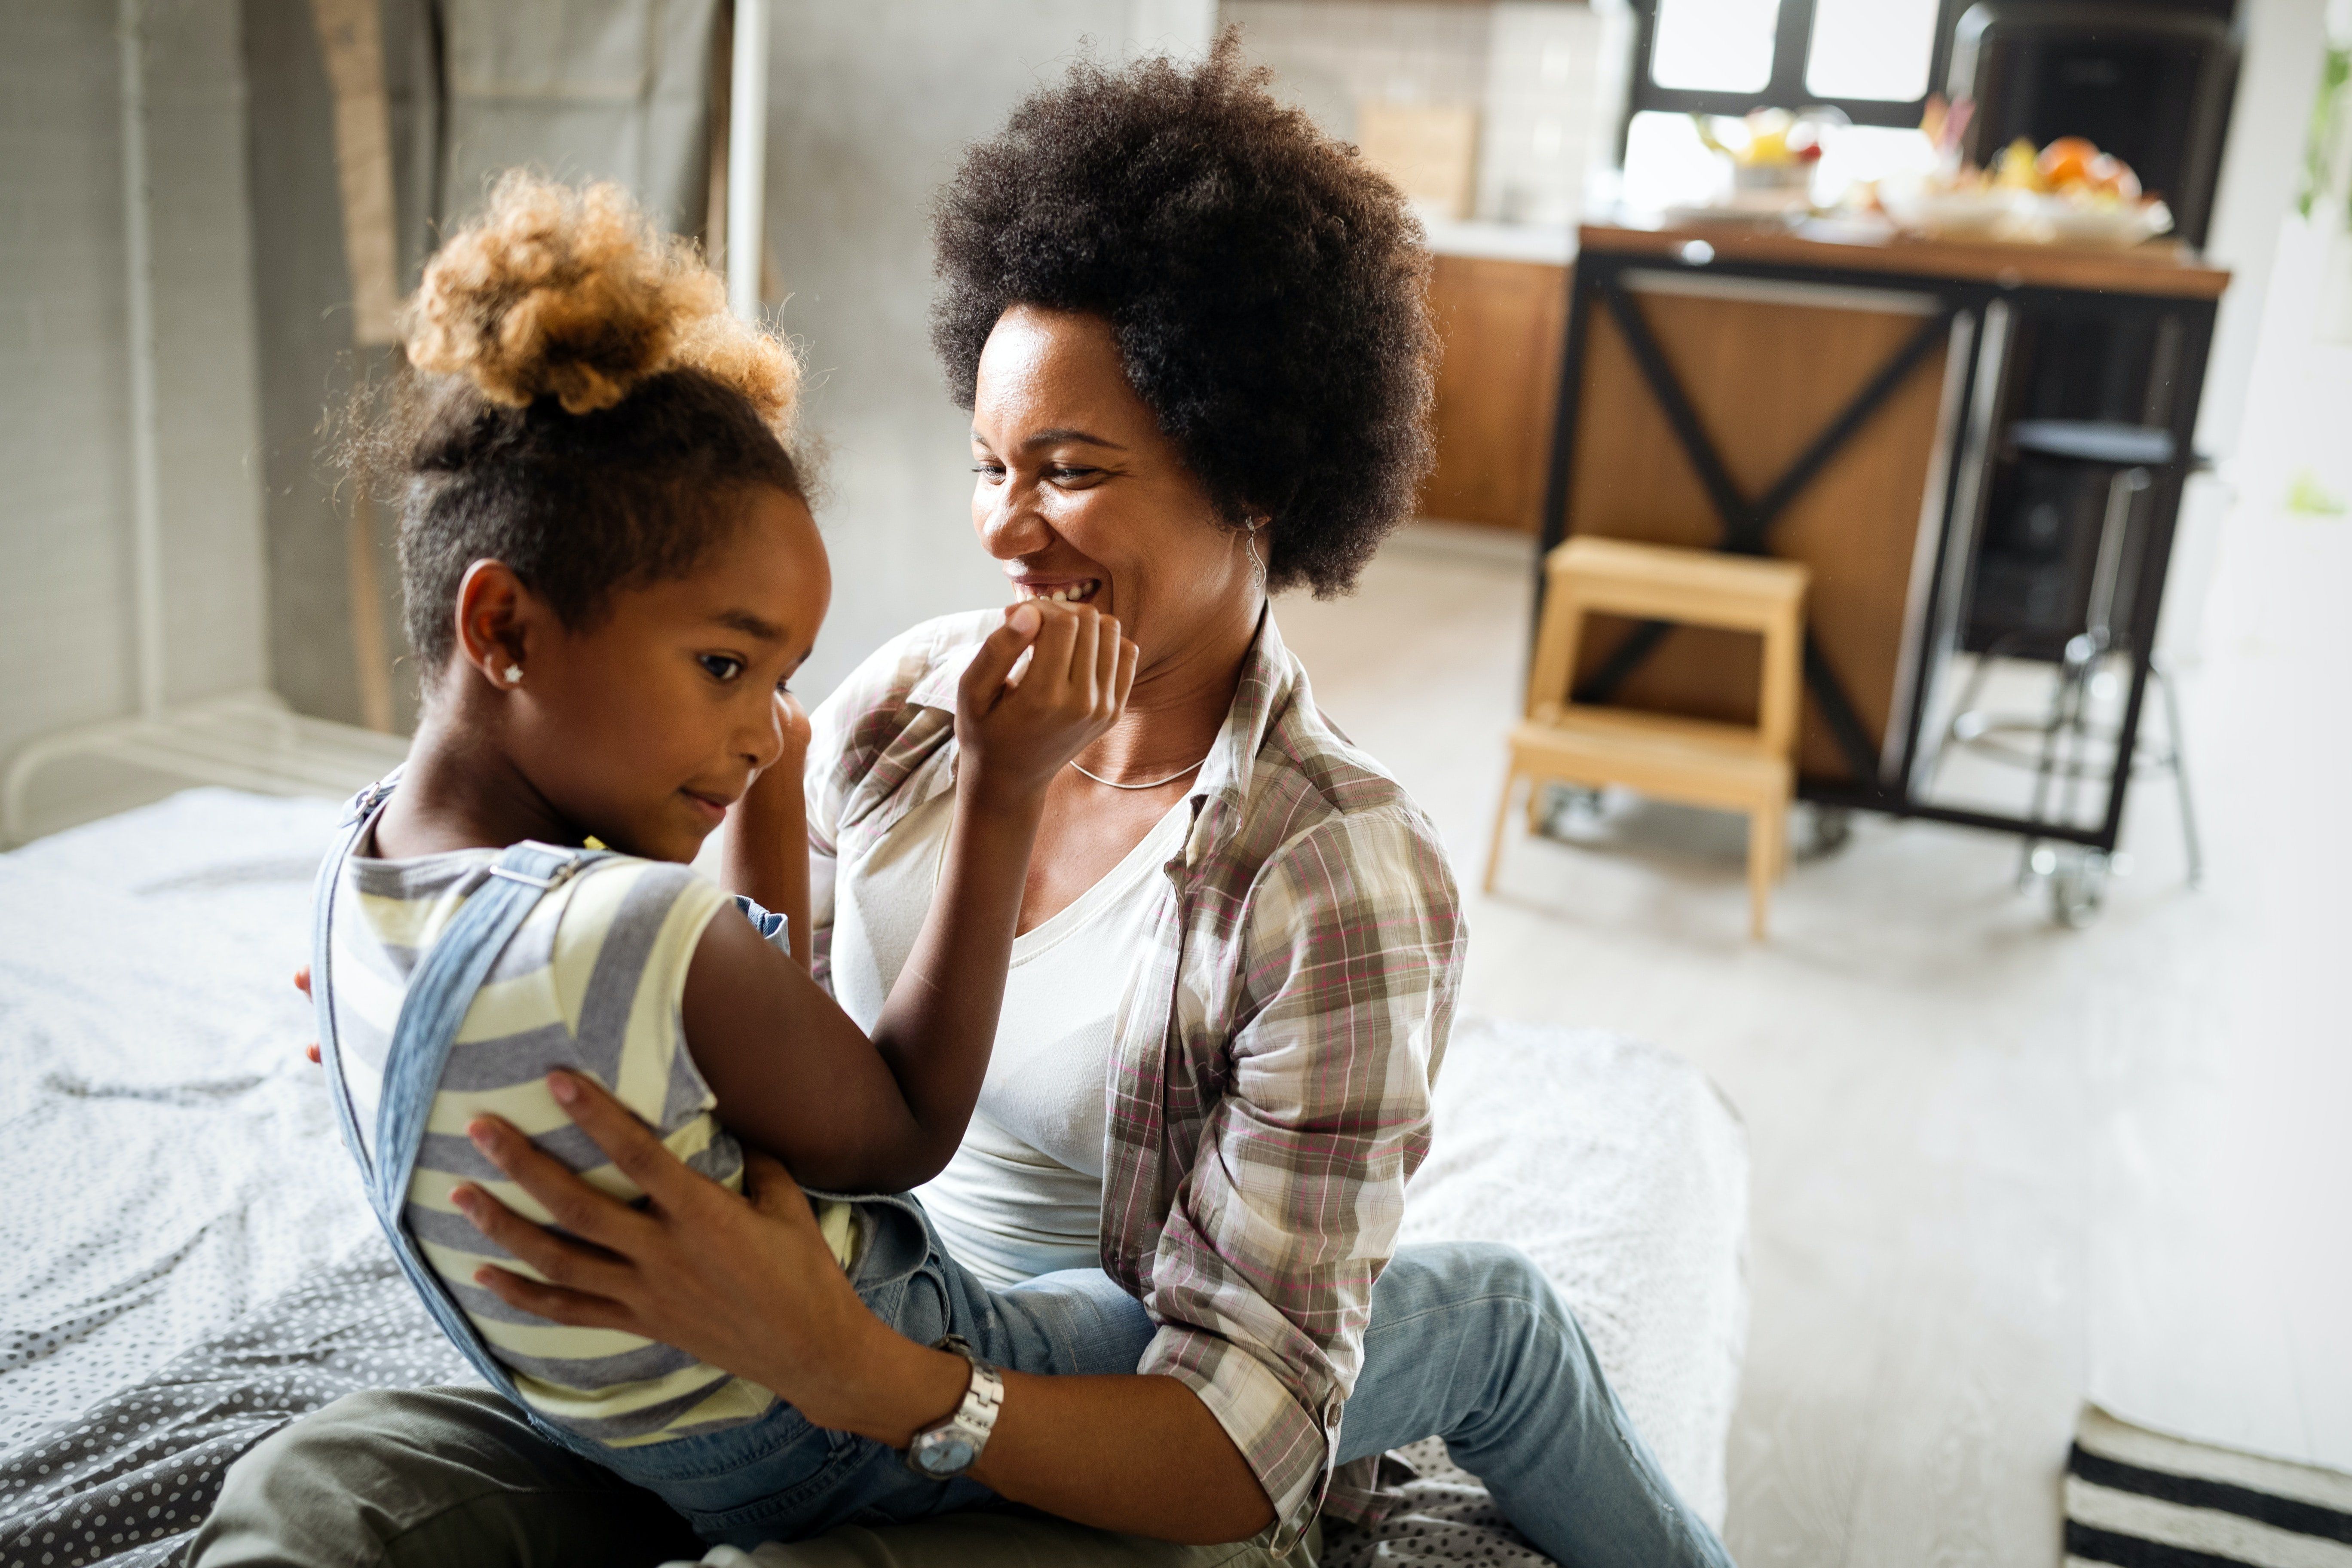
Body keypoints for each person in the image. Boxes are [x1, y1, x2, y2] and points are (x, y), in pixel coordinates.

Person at [193, 38, 1733, 1568]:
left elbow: (1243, 1442)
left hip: (1082, 1425)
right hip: (792, 1336)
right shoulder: (911, 708)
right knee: (328, 1490)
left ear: (1255, 475)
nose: (1006, 527)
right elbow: (761, 1032)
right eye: (988, 462)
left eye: (1065, 470)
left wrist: (871, 1377)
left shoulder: (1331, 876)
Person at [297, 168, 1154, 1545]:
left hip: (619, 1428)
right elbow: (900, 1133)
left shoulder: (356, 874)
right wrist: (1000, 793)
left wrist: (767, 779)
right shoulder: (638, 930)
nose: (764, 729)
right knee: (1207, 1329)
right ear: (506, 629)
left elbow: (720, 1042)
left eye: (781, 680)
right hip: (822, 1425)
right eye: (722, 663)